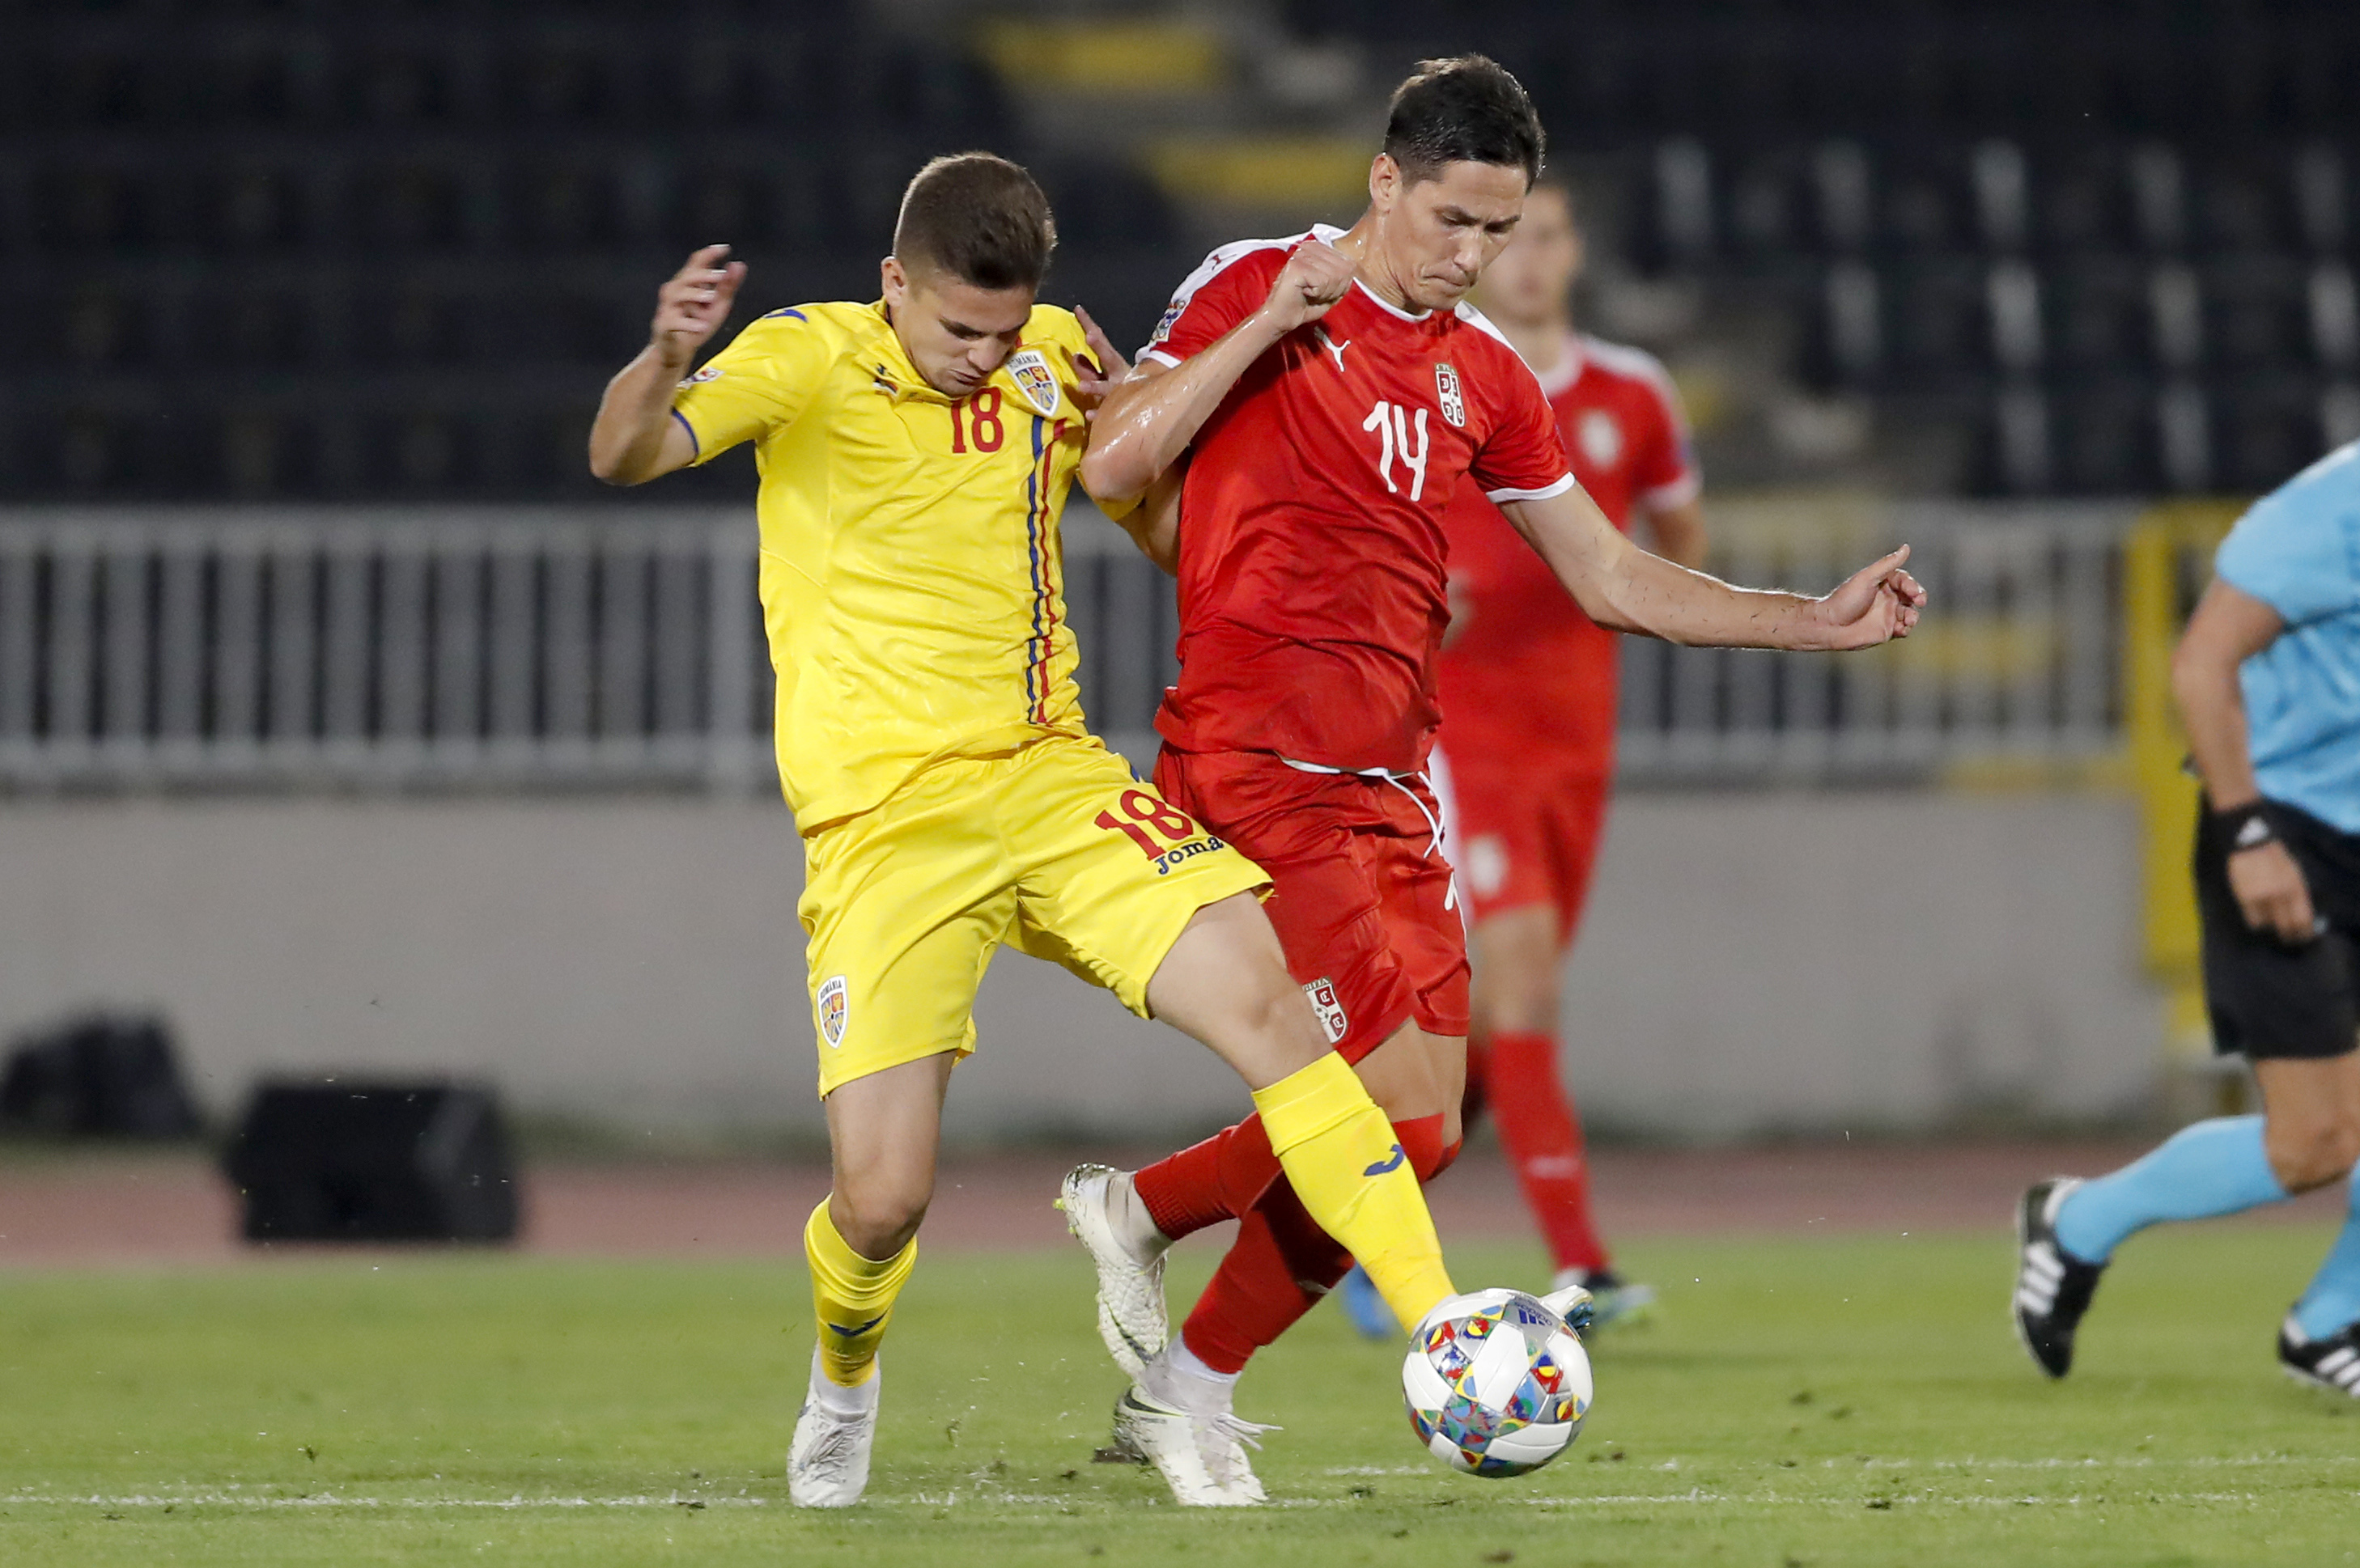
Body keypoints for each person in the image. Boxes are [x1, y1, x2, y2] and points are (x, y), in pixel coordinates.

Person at [1060, 57, 1925, 1506]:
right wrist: (1266, 324)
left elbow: (1610, 575)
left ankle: (1142, 1215)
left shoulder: (1486, 376)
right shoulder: (1259, 281)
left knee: (1428, 1129)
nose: (1472, 255)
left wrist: (1805, 619)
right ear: (1385, 181)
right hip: (1252, 767)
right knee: (1381, 1119)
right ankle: (1186, 1387)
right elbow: (1113, 465)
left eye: (1499, 230)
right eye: (1451, 220)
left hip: (1395, 784)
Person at [586, 151, 1467, 1510]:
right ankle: (843, 1378)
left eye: (1003, 333)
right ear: (894, 283)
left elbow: (1152, 509)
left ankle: (1448, 1332)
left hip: (1054, 784)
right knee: (882, 1199)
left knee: (1281, 1017)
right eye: (959, 330)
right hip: (887, 829)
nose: (982, 358)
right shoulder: (805, 359)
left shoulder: (1052, 355)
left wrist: (1266, 543)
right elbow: (624, 452)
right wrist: (662, 358)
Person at [1338, 174, 1707, 1337]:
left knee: (1503, 1023)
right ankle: (1585, 1264)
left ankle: (1357, 1234)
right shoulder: (1444, 375)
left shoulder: (1634, 393)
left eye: (1549, 234)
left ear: (1576, 250)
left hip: (1579, 742)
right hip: (1464, 737)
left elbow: (1678, 537)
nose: (1531, 257)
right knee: (1529, 989)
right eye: (1513, 237)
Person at [2014, 440, 2360, 1393]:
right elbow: (2204, 662)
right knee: (2313, 1146)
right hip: (2290, 831)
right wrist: (2248, 832)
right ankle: (2079, 1222)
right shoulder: (2331, 510)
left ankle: (2330, 1323)